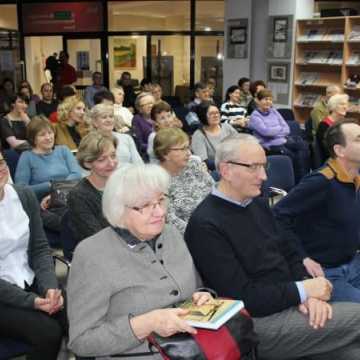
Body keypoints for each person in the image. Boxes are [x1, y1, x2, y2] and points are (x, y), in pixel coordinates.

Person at [185, 133, 360, 360]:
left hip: (288, 302)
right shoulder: (205, 225)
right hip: (256, 323)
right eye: (254, 167)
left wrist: (308, 290)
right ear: (226, 170)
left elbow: (288, 250)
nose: (264, 176)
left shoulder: (256, 203)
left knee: (352, 352)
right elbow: (241, 297)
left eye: (264, 167)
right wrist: (302, 292)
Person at [67, 163, 212, 358]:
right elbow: (82, 342)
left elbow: (196, 288)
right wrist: (147, 324)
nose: (160, 212)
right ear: (118, 209)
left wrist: (203, 296)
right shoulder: (91, 254)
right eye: (145, 206)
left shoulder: (170, 234)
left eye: (161, 201)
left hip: (195, 347)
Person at [274, 120, 360, 302]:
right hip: (327, 274)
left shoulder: (355, 179)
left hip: (354, 264)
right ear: (340, 151)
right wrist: (302, 258)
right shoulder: (321, 182)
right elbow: (277, 215)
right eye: (358, 139)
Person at [0, 152, 67, 360]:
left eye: (1, 161)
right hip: (4, 293)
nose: (1, 168)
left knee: (81, 315)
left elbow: (39, 248)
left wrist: (50, 288)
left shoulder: (24, 195)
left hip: (30, 277)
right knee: (47, 333)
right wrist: (33, 302)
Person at [154, 127, 213, 234]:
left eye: (188, 147)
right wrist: (201, 233)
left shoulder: (193, 164)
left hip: (214, 220)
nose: (189, 153)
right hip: (191, 234)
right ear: (164, 154)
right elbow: (170, 219)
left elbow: (213, 190)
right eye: (183, 149)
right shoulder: (156, 181)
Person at [68, 132, 118, 252]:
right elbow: (97, 239)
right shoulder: (78, 196)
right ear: (87, 163)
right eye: (102, 159)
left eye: (113, 155)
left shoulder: (125, 184)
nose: (111, 163)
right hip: (104, 254)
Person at [15, 116, 82, 201]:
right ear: (33, 139)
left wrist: (57, 189)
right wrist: (48, 185)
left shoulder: (63, 150)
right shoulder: (27, 157)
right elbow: (21, 189)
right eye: (42, 135)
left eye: (50, 133)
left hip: (70, 196)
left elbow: (77, 174)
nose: (48, 137)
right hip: (45, 204)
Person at [249, 88, 310, 181]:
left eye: (270, 99)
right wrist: (279, 129)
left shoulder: (274, 111)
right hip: (270, 145)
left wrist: (275, 131)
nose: (268, 102)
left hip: (284, 140)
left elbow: (286, 128)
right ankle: (294, 181)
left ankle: (304, 179)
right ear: (258, 101)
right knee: (291, 156)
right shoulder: (255, 116)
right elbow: (266, 132)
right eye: (265, 99)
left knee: (303, 148)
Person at [191, 102, 237, 171]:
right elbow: (204, 162)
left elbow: (241, 144)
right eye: (211, 113)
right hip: (216, 170)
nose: (216, 115)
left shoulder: (227, 127)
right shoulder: (198, 135)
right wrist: (229, 164)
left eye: (217, 112)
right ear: (203, 116)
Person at [316, 93, 348, 162]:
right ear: (333, 106)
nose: (345, 107)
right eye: (342, 104)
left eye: (346, 104)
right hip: (331, 160)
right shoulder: (324, 125)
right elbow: (328, 150)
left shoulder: (345, 124)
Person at [132, 92, 155, 159]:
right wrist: (155, 147)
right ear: (139, 108)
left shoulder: (159, 116)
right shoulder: (137, 119)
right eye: (146, 104)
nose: (150, 106)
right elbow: (139, 144)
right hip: (148, 155)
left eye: (151, 103)